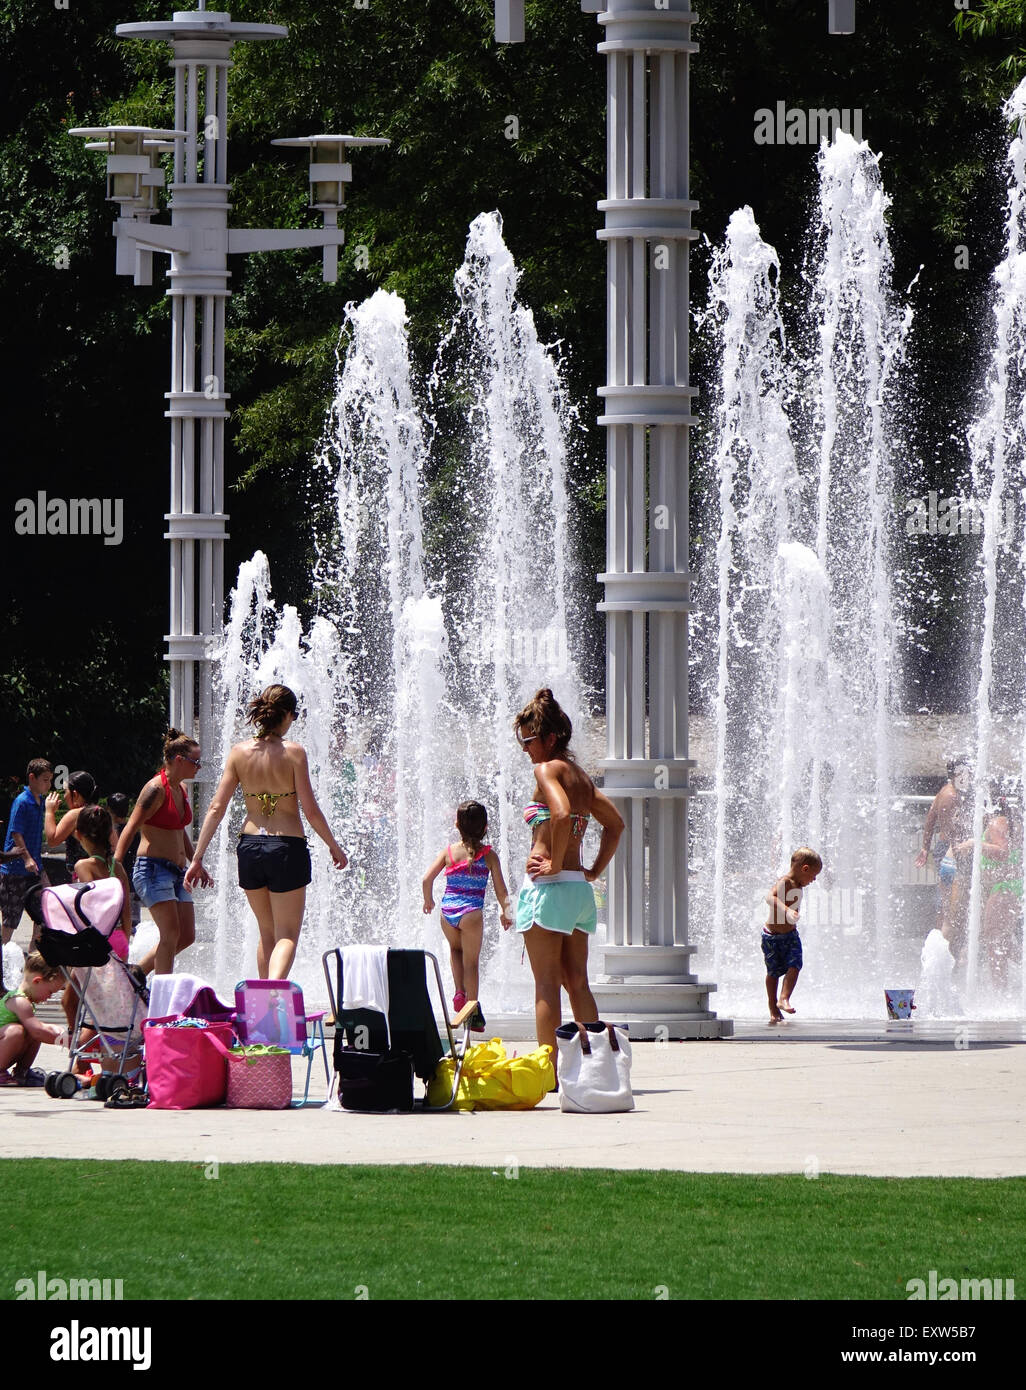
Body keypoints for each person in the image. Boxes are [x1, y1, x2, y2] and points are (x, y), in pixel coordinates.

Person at [184, 684, 348, 980]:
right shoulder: (294, 753)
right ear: (286, 714)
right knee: (287, 936)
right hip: (286, 848)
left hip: (249, 848)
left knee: (267, 933)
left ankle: (262, 1010)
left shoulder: (239, 753)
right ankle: (273, 993)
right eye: (294, 715)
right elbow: (310, 811)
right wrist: (333, 846)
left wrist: (197, 857)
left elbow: (215, 808)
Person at [512, 688, 624, 1066]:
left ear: (550, 738)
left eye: (529, 740)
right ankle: (595, 1067)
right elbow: (616, 826)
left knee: (546, 985)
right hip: (578, 891)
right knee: (577, 981)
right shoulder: (580, 777)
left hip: (550, 888)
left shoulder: (546, 770)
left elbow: (559, 814)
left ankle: (550, 1072)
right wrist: (591, 870)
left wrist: (554, 863)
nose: (526, 749)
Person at [115, 730, 211, 976]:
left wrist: (195, 862)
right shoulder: (155, 789)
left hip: (178, 872)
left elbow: (179, 832)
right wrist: (115, 863)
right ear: (179, 760)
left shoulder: (182, 790)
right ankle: (163, 998)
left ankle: (137, 973)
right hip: (153, 870)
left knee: (186, 935)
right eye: (196, 762)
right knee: (170, 935)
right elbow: (131, 826)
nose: (199, 767)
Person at [422, 800, 513, 1027]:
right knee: (471, 963)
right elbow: (501, 890)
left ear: (456, 825)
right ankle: (472, 1011)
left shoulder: (449, 852)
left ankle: (459, 991)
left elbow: (426, 879)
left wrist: (428, 901)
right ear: (485, 827)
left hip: (448, 912)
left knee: (455, 950)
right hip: (471, 913)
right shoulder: (489, 856)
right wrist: (506, 912)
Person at [62, 804, 134, 1077]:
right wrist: (123, 941)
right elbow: (126, 910)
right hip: (117, 940)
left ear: (78, 834)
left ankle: (78, 1056)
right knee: (103, 1000)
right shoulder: (117, 867)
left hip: (95, 942)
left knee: (70, 1000)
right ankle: (97, 1049)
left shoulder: (83, 866)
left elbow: (84, 909)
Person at [1, 759, 54, 971]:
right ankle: (3, 965)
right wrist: (27, 858)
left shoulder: (40, 800)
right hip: (15, 871)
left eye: (50, 780)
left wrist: (40, 870)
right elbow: (16, 832)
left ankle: (33, 965)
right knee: (10, 922)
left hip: (34, 870)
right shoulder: (22, 801)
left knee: (42, 915)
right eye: (45, 780)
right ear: (32, 778)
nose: (48, 785)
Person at [915, 754, 973, 946]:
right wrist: (963, 852)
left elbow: (930, 818)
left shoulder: (945, 791)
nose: (971, 775)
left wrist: (925, 847)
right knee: (952, 908)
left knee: (951, 905)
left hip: (946, 851)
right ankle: (947, 953)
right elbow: (952, 833)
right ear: (959, 773)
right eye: (968, 771)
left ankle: (946, 952)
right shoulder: (951, 797)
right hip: (952, 853)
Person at [763, 846, 823, 1024]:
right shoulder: (785, 881)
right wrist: (787, 910)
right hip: (772, 937)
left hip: (790, 935)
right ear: (804, 869)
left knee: (795, 965)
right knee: (773, 972)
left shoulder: (798, 884)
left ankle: (784, 998)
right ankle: (772, 1005)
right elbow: (769, 898)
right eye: (813, 876)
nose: (813, 880)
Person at [0, 950, 67, 1086]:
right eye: (50, 992)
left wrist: (60, 1032)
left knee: (33, 1032)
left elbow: (38, 1029)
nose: (48, 998)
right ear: (37, 981)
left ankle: (22, 1071)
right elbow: (38, 1030)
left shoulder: (26, 1001)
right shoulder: (19, 1001)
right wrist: (63, 1041)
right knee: (18, 1031)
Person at [44, 770, 113, 881]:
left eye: (65, 791)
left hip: (81, 874)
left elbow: (52, 840)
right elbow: (113, 844)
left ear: (75, 794)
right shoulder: (100, 812)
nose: (64, 796)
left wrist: (49, 812)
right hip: (104, 871)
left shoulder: (75, 815)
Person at [108, 792, 142, 930]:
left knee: (117, 922)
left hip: (117, 881)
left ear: (110, 811)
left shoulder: (111, 832)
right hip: (133, 880)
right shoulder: (134, 831)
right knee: (134, 922)